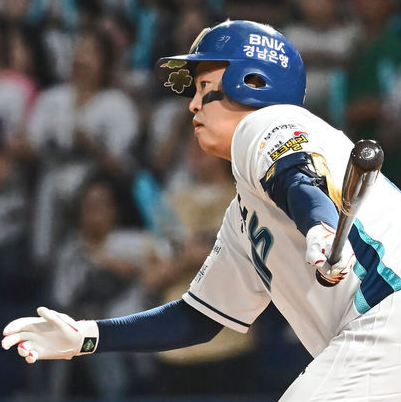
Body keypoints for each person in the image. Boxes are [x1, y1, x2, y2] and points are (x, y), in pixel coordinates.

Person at [3, 20, 401, 401]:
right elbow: (198, 317)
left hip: (385, 313)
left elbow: (297, 177)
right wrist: (87, 336)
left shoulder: (266, 123)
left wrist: (320, 229)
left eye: (204, 87)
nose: (193, 105)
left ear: (253, 83)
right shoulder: (244, 213)